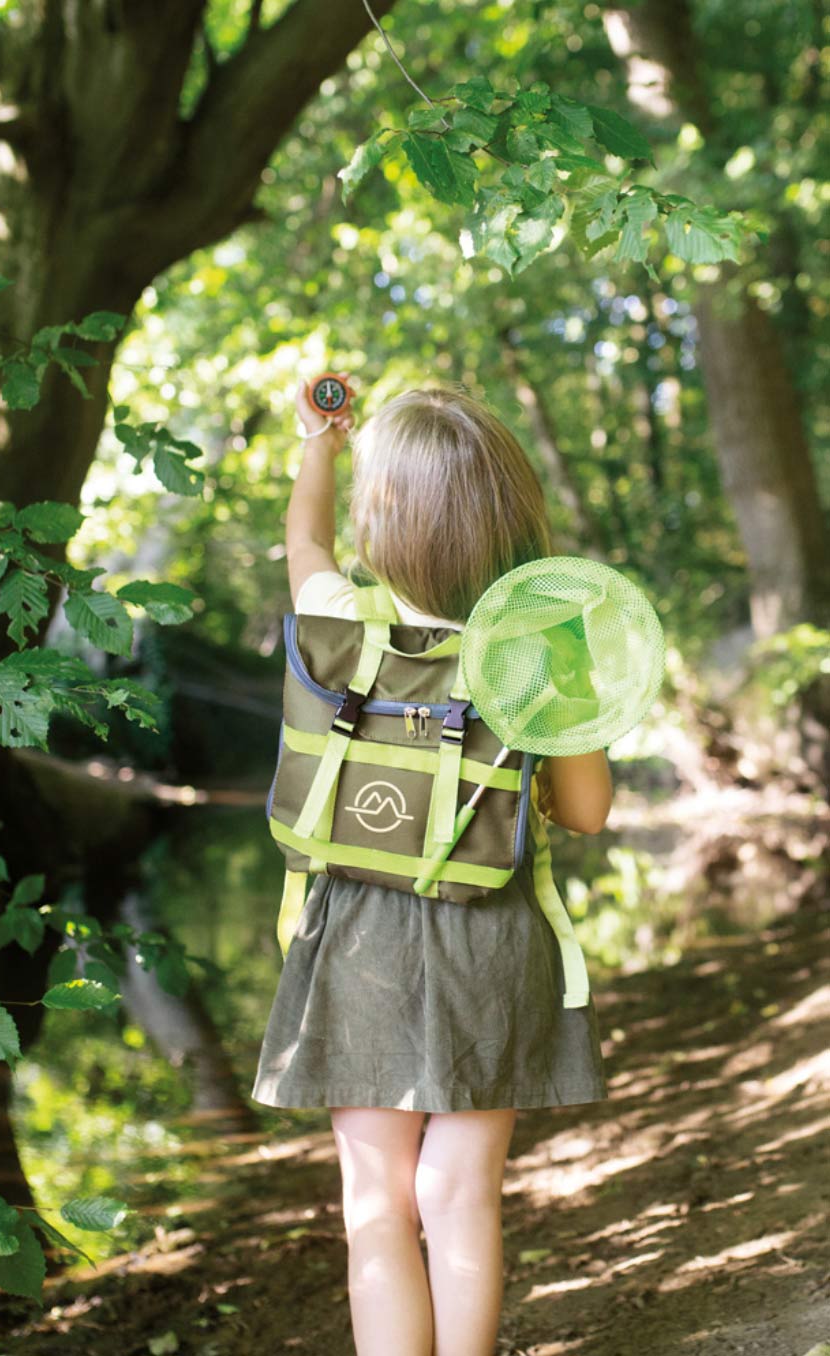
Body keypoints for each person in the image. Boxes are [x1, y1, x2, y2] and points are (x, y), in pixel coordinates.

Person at [251, 373, 613, 1356]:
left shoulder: (336, 621)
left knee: (375, 1200)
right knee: (457, 1193)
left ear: (384, 523)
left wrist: (317, 443)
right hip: (489, 935)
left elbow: (303, 545)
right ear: (512, 521)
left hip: (352, 941)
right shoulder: (536, 647)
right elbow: (584, 811)